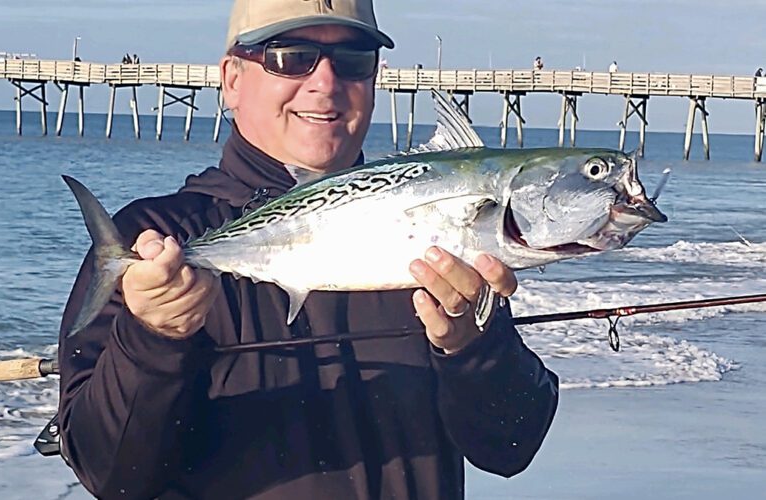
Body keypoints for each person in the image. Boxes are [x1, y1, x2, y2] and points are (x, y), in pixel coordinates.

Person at [57, 0, 559, 498]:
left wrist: (473, 348)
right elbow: (112, 476)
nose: (325, 82)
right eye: (291, 56)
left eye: (354, 59)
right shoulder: (156, 238)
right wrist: (153, 339)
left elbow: (509, 447)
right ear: (232, 79)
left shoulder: (432, 232)